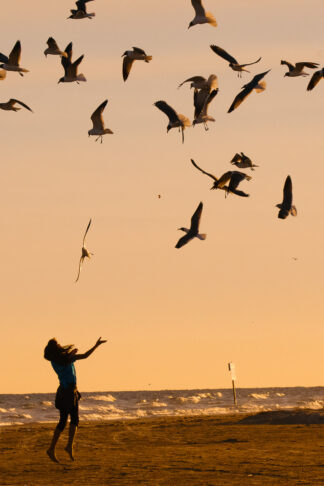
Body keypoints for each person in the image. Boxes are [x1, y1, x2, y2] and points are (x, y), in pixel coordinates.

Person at [44, 336, 107, 462]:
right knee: (65, 421)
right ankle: (52, 449)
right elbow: (85, 355)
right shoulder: (67, 359)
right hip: (67, 393)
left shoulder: (56, 361)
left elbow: (65, 359)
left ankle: (68, 446)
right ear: (57, 349)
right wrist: (96, 345)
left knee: (73, 419)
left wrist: (70, 354)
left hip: (67, 392)